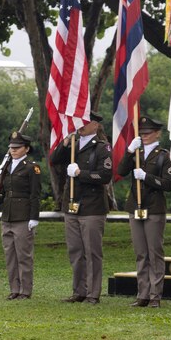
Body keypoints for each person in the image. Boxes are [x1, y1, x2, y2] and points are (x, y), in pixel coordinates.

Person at [50, 110, 112, 304]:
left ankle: (93, 293)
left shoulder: (102, 148)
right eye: (81, 121)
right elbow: (54, 159)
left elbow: (104, 176)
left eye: (87, 121)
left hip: (92, 206)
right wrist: (66, 140)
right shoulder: (73, 144)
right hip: (72, 205)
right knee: (76, 251)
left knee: (92, 251)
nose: (82, 125)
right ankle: (79, 291)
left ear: (97, 125)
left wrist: (80, 173)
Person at [116, 115, 171, 307]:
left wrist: (146, 177)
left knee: (154, 252)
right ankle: (142, 293)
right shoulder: (136, 153)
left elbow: (167, 184)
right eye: (142, 133)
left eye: (148, 133)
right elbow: (121, 171)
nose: (145, 136)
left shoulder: (164, 156)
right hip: (135, 207)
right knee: (141, 253)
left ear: (157, 133)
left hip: (154, 208)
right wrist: (129, 151)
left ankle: (155, 295)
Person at [0, 131, 41, 300]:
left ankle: (25, 290)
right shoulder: (7, 167)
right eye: (11, 148)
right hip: (7, 216)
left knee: (24, 256)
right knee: (10, 255)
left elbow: (35, 194)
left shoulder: (32, 168)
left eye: (17, 148)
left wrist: (34, 217)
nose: (13, 150)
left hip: (23, 217)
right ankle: (14, 289)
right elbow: (4, 190)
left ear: (26, 149)